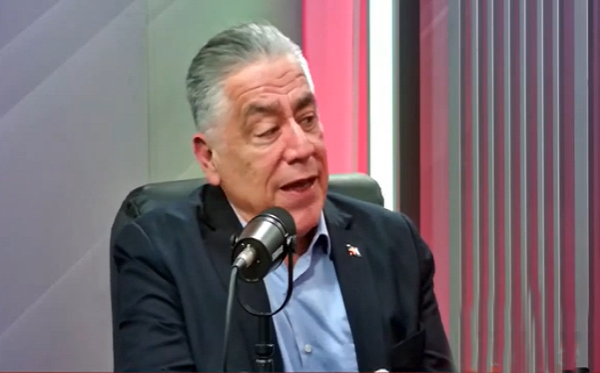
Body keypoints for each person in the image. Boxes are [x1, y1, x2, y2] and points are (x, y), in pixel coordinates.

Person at [112, 22, 454, 372]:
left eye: (307, 119)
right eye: (267, 131)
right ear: (209, 158)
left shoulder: (394, 243)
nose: (301, 148)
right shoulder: (160, 255)